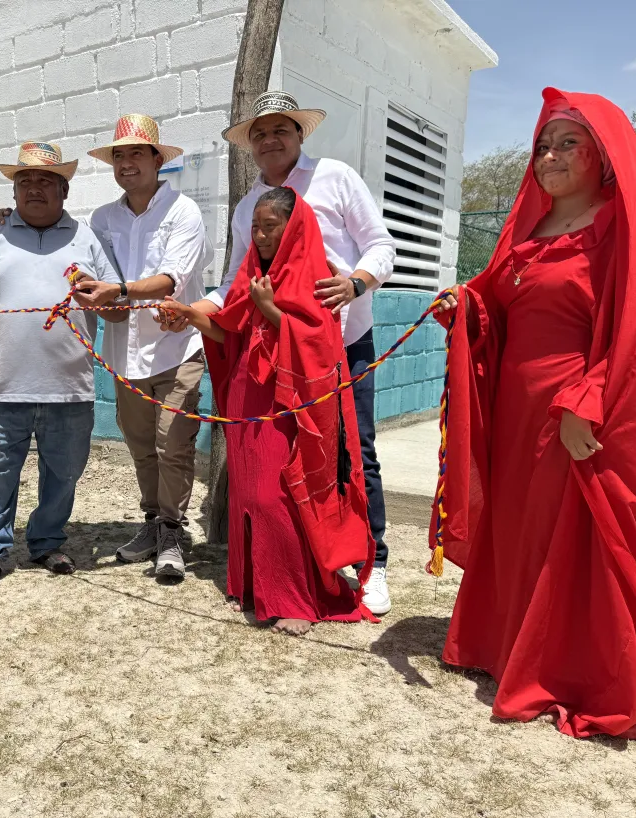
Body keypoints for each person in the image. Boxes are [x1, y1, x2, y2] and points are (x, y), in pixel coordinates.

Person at [432, 88, 636, 738]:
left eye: (567, 143)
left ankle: (565, 672)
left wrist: (593, 399)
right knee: (520, 530)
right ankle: (505, 650)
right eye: (543, 144)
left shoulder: (619, 226)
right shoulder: (532, 229)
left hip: (572, 418)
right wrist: (465, 309)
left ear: (602, 155)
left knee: (562, 542)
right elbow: (500, 305)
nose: (549, 155)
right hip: (519, 415)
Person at [160, 91, 396, 614]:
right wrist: (195, 309)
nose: (270, 141)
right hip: (272, 354)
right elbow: (237, 283)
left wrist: (356, 284)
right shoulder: (248, 208)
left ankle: (370, 561)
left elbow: (382, 245)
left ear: (299, 135)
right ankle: (298, 562)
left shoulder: (335, 178)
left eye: (280, 131)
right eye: (260, 134)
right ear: (250, 145)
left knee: (352, 452)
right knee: (283, 463)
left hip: (342, 343)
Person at [0, 115, 212, 578]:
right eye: (119, 156)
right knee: (142, 448)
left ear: (157, 160)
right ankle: (153, 522)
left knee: (173, 443)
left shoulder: (183, 211)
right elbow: (72, 249)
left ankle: (172, 531)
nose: (127, 163)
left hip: (176, 348)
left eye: (137, 154)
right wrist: (9, 221)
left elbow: (173, 279)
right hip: (125, 353)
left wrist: (121, 292)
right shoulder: (102, 219)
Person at [0, 141, 121, 596]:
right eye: (25, 181)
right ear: (13, 191)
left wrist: (109, 298)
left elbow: (115, 306)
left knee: (64, 473)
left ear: (64, 189)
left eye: (45, 181)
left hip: (70, 387)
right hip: (0, 388)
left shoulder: (85, 238)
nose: (34, 189)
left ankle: (46, 543)